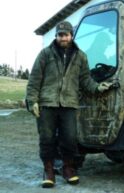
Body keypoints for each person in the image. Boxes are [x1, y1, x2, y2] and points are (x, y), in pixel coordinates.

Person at [26, 21, 113, 188]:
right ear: (56, 36)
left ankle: (68, 169)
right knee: (47, 139)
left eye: (65, 35)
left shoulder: (81, 56)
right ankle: (49, 171)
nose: (63, 38)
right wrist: (32, 101)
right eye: (60, 35)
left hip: (69, 104)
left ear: (71, 36)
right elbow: (34, 79)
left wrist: (98, 87)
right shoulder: (45, 54)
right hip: (47, 104)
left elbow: (85, 80)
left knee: (70, 139)